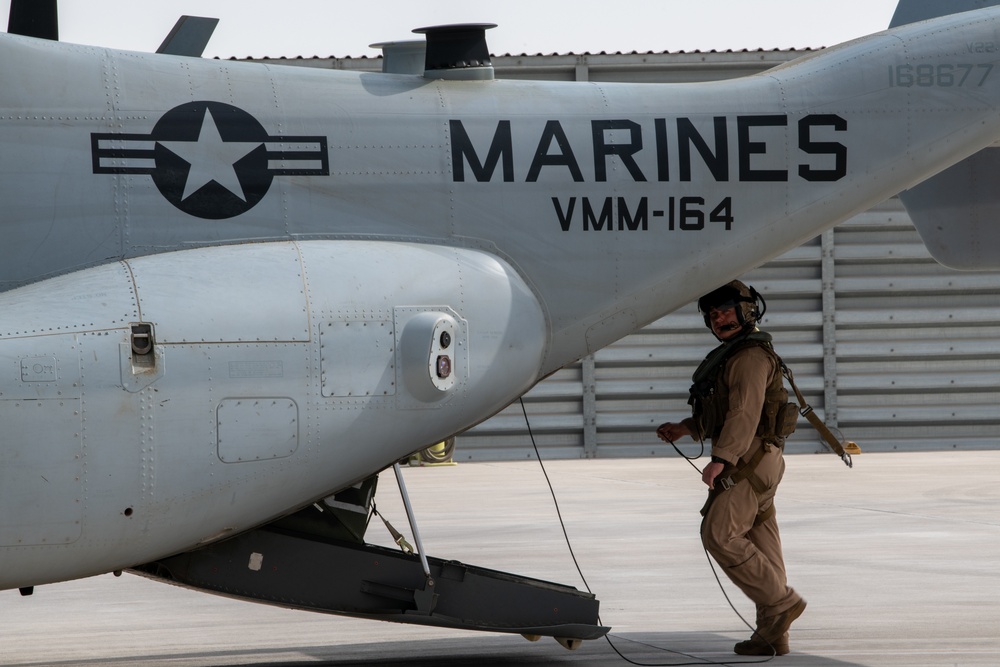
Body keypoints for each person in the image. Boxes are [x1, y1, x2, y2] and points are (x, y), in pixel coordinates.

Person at [656, 280, 806, 657]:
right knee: (760, 541)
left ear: (748, 310)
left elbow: (744, 413)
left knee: (719, 535)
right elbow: (725, 410)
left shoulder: (749, 357)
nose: (717, 318)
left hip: (748, 459)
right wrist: (686, 428)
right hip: (761, 459)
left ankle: (781, 603)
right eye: (712, 314)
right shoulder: (737, 354)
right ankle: (773, 635)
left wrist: (722, 459)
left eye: (724, 310)